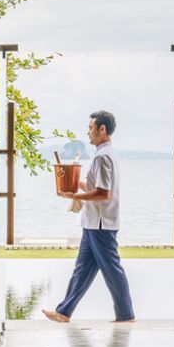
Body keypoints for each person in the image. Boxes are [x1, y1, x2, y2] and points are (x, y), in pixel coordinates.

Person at [44, 110, 135, 324]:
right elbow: (98, 187)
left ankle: (126, 314)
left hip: (100, 224)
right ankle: (64, 312)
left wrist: (74, 195)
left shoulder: (103, 156)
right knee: (82, 270)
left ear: (102, 129)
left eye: (91, 128)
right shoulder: (105, 154)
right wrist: (76, 185)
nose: (88, 132)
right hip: (94, 223)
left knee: (112, 270)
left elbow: (104, 193)